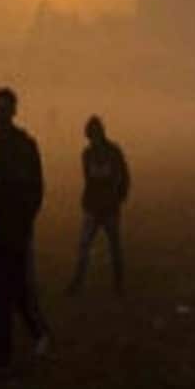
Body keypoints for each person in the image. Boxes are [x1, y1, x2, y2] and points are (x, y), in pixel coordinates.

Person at [0, 86, 51, 371]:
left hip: (16, 227)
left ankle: (27, 339)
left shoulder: (25, 146)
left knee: (15, 287)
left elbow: (36, 187)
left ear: (13, 111)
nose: (0, 113)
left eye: (4, 108)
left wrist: (25, 218)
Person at [68, 115, 131, 295]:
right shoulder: (89, 154)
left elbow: (123, 176)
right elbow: (90, 180)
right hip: (96, 206)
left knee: (109, 246)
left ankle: (116, 284)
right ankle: (82, 283)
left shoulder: (108, 152)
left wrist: (119, 197)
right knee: (92, 245)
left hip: (106, 206)